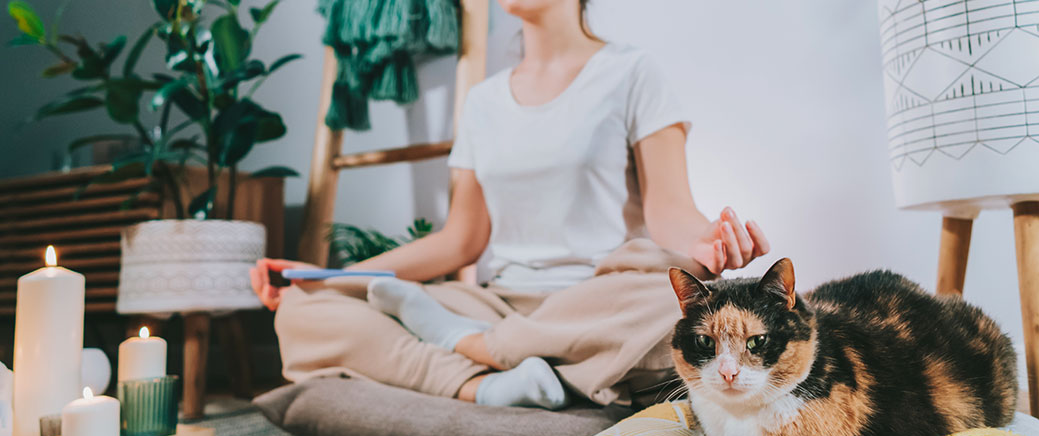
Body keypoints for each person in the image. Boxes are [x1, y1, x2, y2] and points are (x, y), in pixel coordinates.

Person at [250, 0, 770, 410]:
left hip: (599, 300)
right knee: (304, 312)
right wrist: (322, 278)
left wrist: (708, 242)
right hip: (499, 304)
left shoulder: (632, 72)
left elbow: (668, 210)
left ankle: (478, 351)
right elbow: (459, 240)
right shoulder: (483, 101)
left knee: (673, 312)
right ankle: (488, 386)